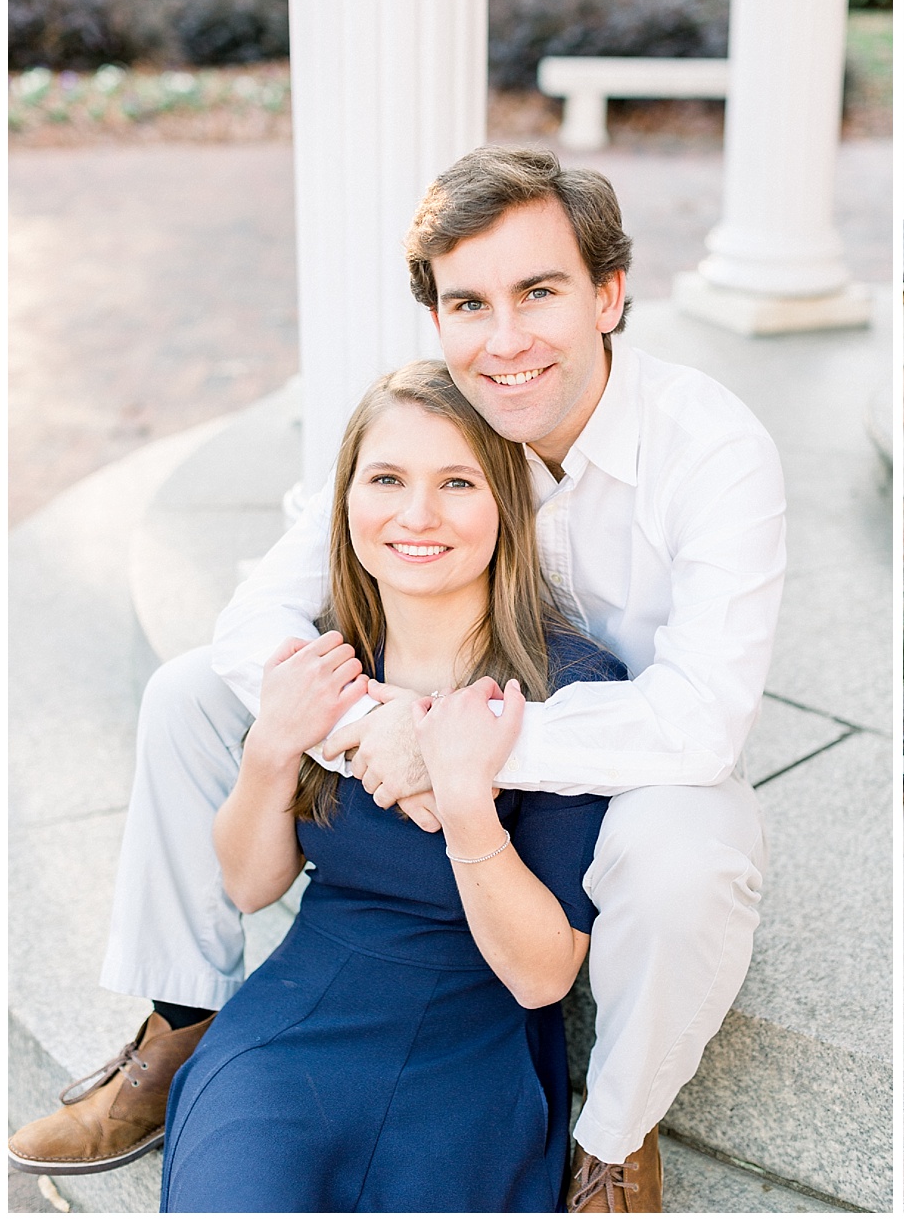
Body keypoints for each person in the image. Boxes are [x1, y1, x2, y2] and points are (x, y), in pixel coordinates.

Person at [8, 148, 785, 1213]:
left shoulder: (715, 451)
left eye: (540, 292)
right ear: (437, 317)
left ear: (608, 295)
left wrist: (461, 747)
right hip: (442, 709)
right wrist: (370, 725)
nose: (504, 339)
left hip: (635, 744)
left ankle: (613, 1138)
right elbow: (255, 622)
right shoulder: (449, 421)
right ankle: (182, 1019)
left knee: (688, 863)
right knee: (189, 692)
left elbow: (703, 720)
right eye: (469, 303)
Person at [161, 360, 625, 1209]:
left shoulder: (573, 689)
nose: (417, 515)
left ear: (506, 506)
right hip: (298, 1027)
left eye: (457, 482)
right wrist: (277, 742)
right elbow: (248, 885)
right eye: (386, 479)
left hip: (473, 1048)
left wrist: (462, 799)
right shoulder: (329, 656)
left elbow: (542, 976)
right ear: (346, 501)